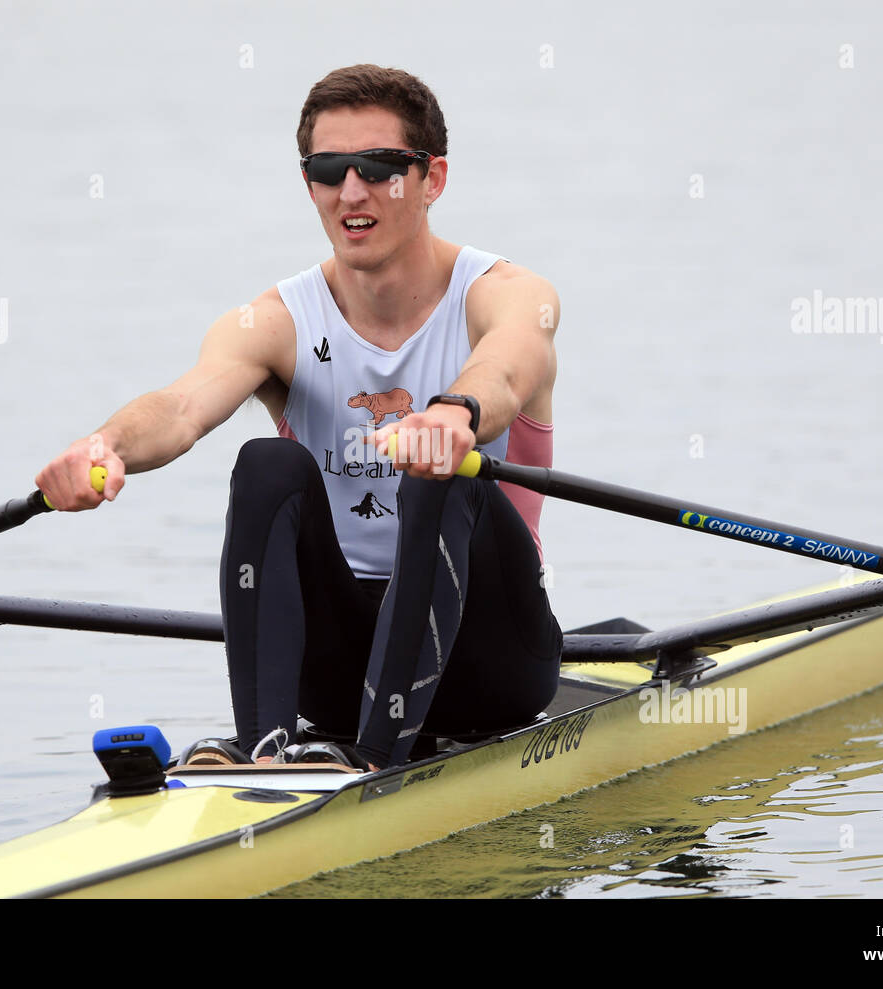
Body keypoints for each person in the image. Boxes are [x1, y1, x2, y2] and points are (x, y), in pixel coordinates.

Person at [37, 64, 562, 771]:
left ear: (432, 177)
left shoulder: (507, 293)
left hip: (491, 659)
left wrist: (455, 412)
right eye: (328, 169)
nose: (351, 191)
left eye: (379, 167)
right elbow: (183, 405)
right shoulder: (277, 319)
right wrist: (106, 444)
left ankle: (372, 763)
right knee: (266, 463)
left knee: (442, 473)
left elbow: (506, 364)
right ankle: (264, 753)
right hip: (342, 673)